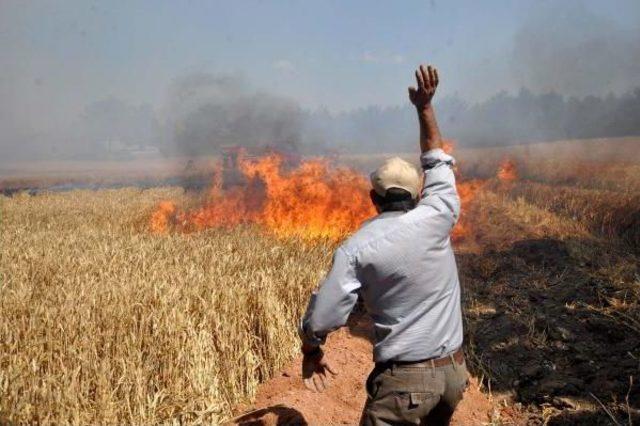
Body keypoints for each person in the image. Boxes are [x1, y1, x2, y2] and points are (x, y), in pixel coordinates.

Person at [298, 64, 468, 425]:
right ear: (418, 193)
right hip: (454, 374)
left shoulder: (357, 248)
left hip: (405, 384)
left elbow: (325, 316)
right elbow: (435, 155)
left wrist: (311, 348)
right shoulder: (438, 213)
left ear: (372, 198)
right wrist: (424, 108)